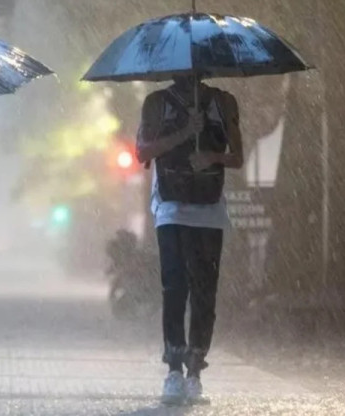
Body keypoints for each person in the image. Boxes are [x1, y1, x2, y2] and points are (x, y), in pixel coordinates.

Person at [136, 75, 243, 405]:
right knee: (174, 285)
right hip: (170, 207)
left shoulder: (223, 102)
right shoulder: (157, 103)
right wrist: (184, 133)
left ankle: (195, 368)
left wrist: (211, 157)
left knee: (204, 288)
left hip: (208, 209)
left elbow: (238, 156)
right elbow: (142, 151)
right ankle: (173, 368)